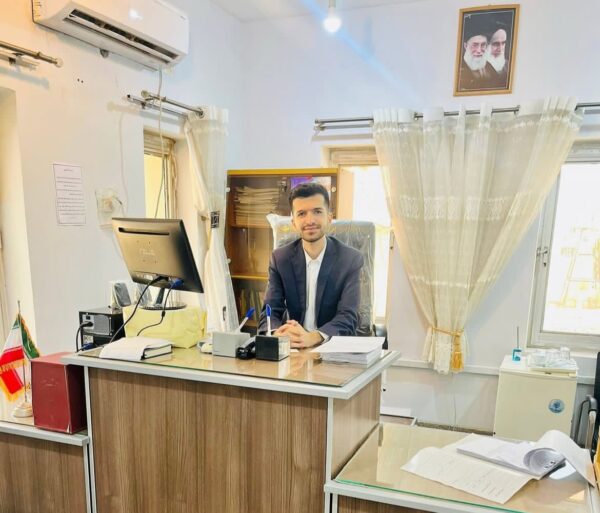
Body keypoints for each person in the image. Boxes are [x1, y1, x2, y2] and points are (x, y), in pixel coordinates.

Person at [258, 182, 364, 348]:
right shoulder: (280, 259)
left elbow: (348, 316)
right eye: (301, 214)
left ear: (329, 217)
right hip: (294, 348)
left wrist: (313, 337)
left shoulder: (350, 259)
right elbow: (270, 311)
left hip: (332, 348)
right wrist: (277, 333)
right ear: (293, 222)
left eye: (317, 212)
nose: (310, 220)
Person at [457, 23, 498, 91]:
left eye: (483, 45)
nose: (479, 50)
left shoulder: (489, 67)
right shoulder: (458, 68)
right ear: (466, 46)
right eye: (475, 45)